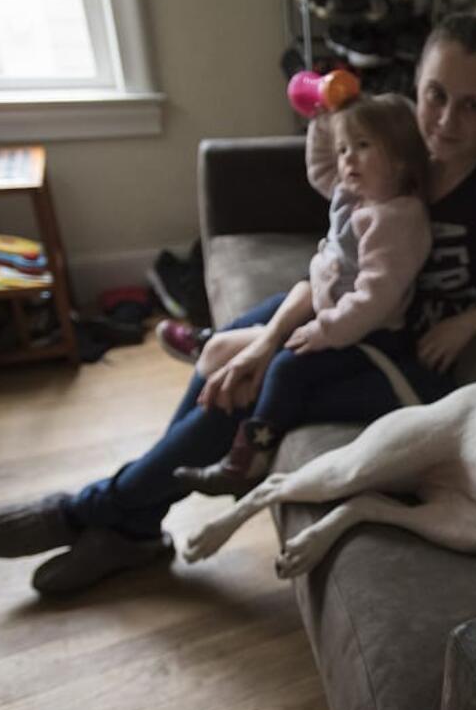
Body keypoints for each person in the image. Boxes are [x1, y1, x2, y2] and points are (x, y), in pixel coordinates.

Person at [0, 11, 476, 595]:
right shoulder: (406, 145)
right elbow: (338, 213)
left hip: (405, 359)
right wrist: (266, 335)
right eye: (435, 95)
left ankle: (93, 510)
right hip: (346, 308)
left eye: (472, 106)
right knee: (226, 358)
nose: (446, 121)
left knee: (255, 384)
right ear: (415, 83)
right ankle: (134, 523)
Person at [174, 91, 432, 496]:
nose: (346, 159)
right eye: (344, 148)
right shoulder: (354, 192)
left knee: (286, 368)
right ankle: (210, 350)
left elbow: (374, 299)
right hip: (330, 308)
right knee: (266, 325)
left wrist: (325, 331)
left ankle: (249, 456)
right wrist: (322, 116)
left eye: (362, 147)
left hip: (367, 333)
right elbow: (320, 168)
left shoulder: (397, 219)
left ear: (400, 157)